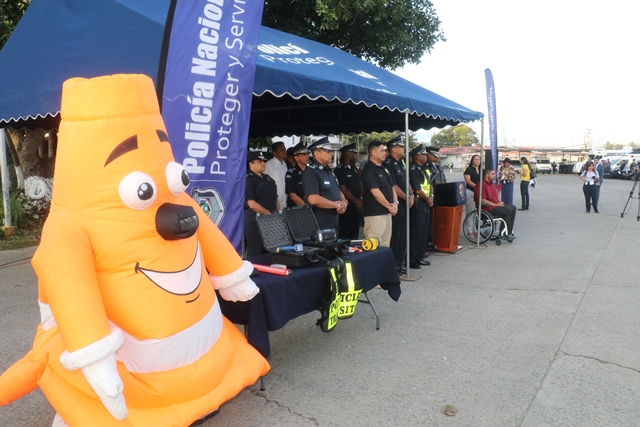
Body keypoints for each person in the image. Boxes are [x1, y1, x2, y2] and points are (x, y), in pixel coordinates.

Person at [302, 137, 347, 231]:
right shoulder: (311, 172)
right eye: (327, 151)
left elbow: (337, 191)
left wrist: (344, 202)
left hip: (334, 218)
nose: (331, 154)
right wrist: (336, 205)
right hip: (320, 220)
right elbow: (313, 199)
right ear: (317, 153)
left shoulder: (329, 171)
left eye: (331, 151)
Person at [383, 135, 413, 274]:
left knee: (403, 234)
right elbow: (393, 186)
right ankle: (393, 264)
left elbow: (406, 181)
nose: (404, 149)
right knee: (396, 234)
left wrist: (411, 195)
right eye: (401, 147)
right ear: (394, 149)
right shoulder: (389, 164)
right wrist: (406, 197)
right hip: (397, 203)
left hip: (405, 201)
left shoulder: (400, 163)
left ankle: (399, 263)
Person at [361, 140, 397, 247]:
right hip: (375, 215)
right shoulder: (369, 170)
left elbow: (392, 187)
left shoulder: (384, 169)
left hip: (387, 213)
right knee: (374, 246)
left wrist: (395, 203)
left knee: (385, 247)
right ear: (373, 152)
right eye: (382, 151)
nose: (385, 153)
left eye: (385, 151)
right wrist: (390, 206)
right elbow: (375, 192)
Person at [244, 151, 279, 257]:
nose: (263, 163)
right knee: (256, 251)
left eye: (264, 161)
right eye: (259, 161)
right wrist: (268, 213)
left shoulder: (268, 179)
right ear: (251, 164)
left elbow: (275, 198)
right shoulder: (248, 180)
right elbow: (252, 204)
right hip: (255, 220)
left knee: (270, 250)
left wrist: (276, 214)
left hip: (270, 219)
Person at [474, 168, 517, 241]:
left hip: (494, 206)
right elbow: (483, 201)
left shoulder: (492, 184)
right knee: (507, 210)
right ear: (487, 175)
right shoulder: (481, 185)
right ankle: (504, 234)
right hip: (486, 209)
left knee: (513, 207)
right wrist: (496, 205)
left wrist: (499, 203)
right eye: (492, 174)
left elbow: (495, 198)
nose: (494, 176)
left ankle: (508, 232)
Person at [408, 145, 432, 269]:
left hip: (426, 201)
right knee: (416, 231)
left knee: (423, 231)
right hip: (418, 202)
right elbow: (417, 189)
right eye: (423, 154)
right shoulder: (413, 169)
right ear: (417, 157)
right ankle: (413, 258)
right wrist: (428, 199)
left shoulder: (423, 169)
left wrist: (431, 196)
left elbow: (429, 184)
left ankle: (420, 255)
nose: (425, 156)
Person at [334, 142, 363, 240]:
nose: (356, 155)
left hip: (357, 205)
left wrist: (360, 199)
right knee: (345, 232)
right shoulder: (340, 169)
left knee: (355, 231)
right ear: (348, 154)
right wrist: (356, 201)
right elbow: (343, 188)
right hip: (347, 205)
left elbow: (360, 183)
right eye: (354, 153)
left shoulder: (354, 168)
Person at [264, 141, 288, 212]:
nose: (284, 152)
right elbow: (265, 183)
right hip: (274, 203)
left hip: (285, 201)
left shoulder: (284, 165)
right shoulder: (268, 165)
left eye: (285, 149)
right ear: (274, 153)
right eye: (281, 150)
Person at [284, 141, 310, 207]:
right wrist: (306, 208)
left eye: (307, 154)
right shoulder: (291, 173)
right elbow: (293, 196)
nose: (307, 157)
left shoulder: (312, 171)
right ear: (296, 158)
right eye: (303, 155)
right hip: (298, 209)